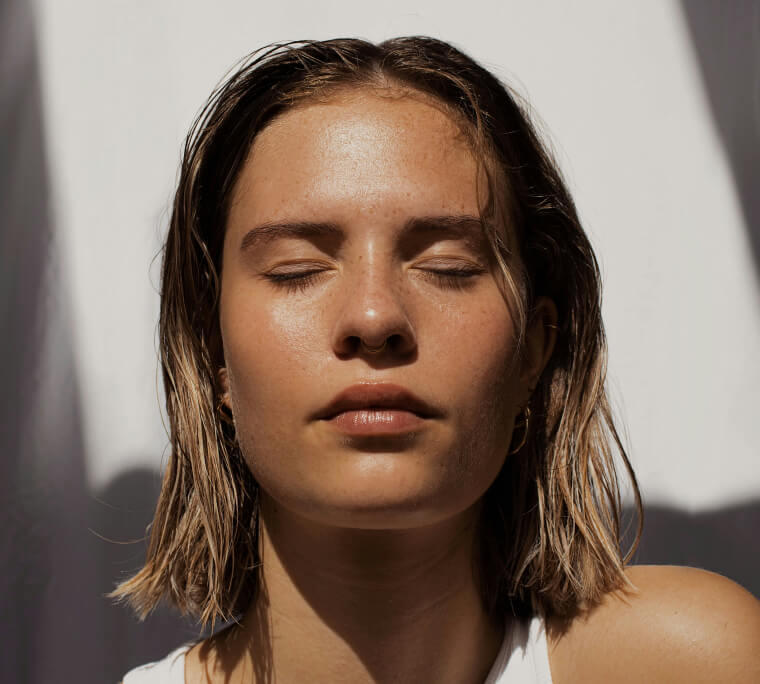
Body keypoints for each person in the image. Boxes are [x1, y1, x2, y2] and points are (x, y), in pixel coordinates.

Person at [115, 37, 760, 683]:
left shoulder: (689, 662)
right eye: (297, 270)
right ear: (211, 353)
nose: (374, 319)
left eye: (448, 267)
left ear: (535, 350)